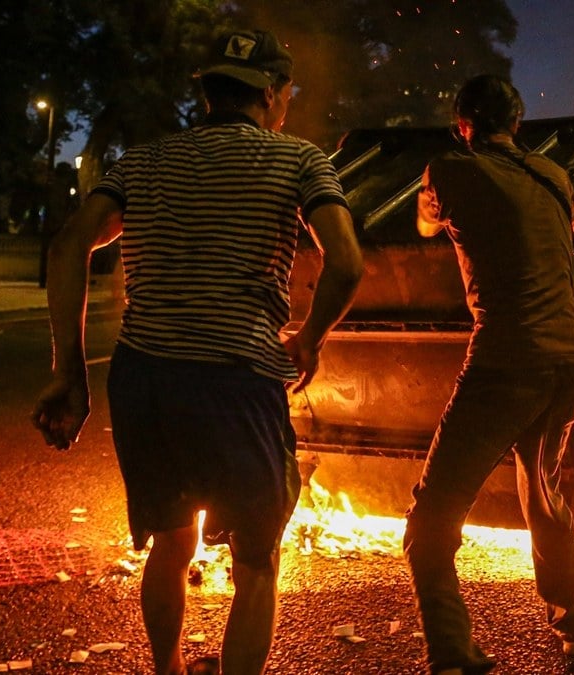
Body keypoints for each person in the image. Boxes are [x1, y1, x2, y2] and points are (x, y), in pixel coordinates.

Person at [30, 28, 363, 675]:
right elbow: (346, 263)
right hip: (235, 380)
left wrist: (69, 374)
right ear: (273, 92)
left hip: (144, 379)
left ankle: (169, 670)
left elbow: (69, 245)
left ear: (209, 92)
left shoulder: (143, 162)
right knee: (256, 560)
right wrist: (309, 338)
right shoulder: (299, 159)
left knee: (171, 541)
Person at [406, 74, 574, 675]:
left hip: (505, 361)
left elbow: (426, 227)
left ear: (463, 126)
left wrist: (433, 202)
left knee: (431, 521)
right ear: (517, 124)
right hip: (570, 359)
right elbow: (564, 227)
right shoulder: (555, 175)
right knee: (542, 494)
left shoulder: (451, 170)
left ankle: (451, 654)